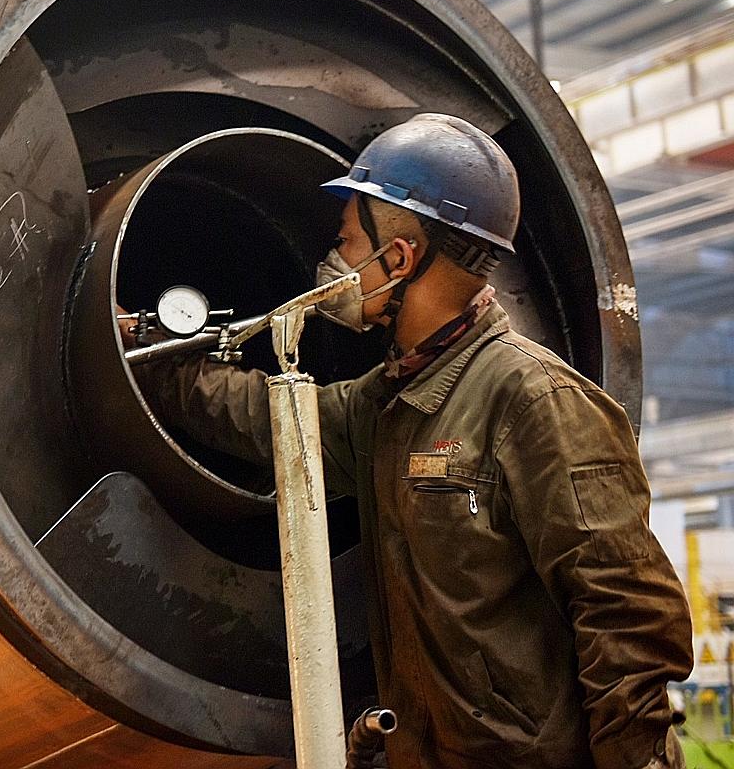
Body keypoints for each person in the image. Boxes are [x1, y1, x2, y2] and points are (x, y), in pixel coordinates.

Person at [132, 113, 692, 769]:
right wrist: (149, 352)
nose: (334, 264)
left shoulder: (537, 400)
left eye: (346, 242)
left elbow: (627, 618)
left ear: (398, 258)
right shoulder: (390, 406)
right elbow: (270, 419)